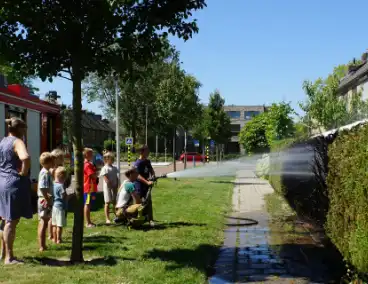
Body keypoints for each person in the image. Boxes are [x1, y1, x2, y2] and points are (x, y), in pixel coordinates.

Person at [0, 117, 32, 264]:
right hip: (13, 183)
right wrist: (23, 173)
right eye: (24, 129)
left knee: (6, 219)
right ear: (20, 129)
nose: (25, 132)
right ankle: (9, 257)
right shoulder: (18, 142)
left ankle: (3, 253)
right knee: (11, 221)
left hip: (2, 182)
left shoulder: (3, 141)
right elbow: (25, 157)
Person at [133, 145, 155, 227]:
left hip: (146, 184)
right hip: (139, 185)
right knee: (138, 203)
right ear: (142, 152)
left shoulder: (147, 161)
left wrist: (152, 176)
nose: (148, 152)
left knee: (149, 202)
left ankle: (150, 220)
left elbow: (151, 170)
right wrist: (147, 182)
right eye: (147, 151)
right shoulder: (137, 163)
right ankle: (136, 219)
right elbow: (137, 175)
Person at [37, 152, 54, 252]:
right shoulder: (45, 173)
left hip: (45, 199)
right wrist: (47, 199)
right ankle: (42, 246)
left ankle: (43, 244)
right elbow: (43, 188)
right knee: (43, 222)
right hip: (44, 200)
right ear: (49, 162)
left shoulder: (46, 172)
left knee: (44, 220)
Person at [100, 151, 119, 224]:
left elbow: (116, 177)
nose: (113, 160)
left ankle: (117, 216)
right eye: (111, 159)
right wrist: (110, 185)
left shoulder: (114, 168)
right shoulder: (105, 168)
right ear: (106, 159)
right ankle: (107, 218)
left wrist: (116, 185)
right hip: (108, 188)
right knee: (107, 202)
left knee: (115, 202)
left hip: (114, 187)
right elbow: (105, 178)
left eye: (113, 159)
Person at [51, 167, 67, 244]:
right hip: (60, 207)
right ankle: (59, 239)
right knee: (59, 225)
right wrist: (71, 196)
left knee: (54, 224)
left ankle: (54, 238)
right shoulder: (61, 186)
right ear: (62, 177)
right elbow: (64, 196)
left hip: (54, 206)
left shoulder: (53, 184)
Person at [84, 148, 98, 228]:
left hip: (90, 187)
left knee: (88, 204)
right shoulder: (87, 165)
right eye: (90, 153)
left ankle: (89, 221)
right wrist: (96, 174)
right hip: (88, 188)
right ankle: (88, 222)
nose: (92, 155)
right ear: (86, 155)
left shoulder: (89, 164)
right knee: (87, 204)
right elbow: (93, 175)